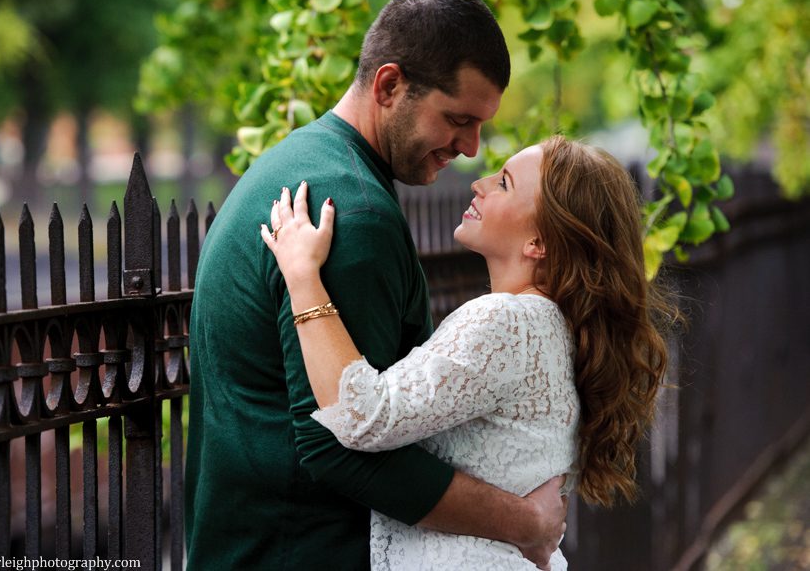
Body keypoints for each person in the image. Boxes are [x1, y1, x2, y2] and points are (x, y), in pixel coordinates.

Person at [185, 0, 568, 571]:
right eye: (458, 120)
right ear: (390, 85)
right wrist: (528, 523)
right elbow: (341, 440)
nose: (470, 149)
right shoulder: (353, 217)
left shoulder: (304, 161)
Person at [260, 135, 672, 569]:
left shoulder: (507, 321)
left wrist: (303, 275)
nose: (480, 184)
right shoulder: (557, 327)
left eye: (505, 183)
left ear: (539, 242)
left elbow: (364, 415)